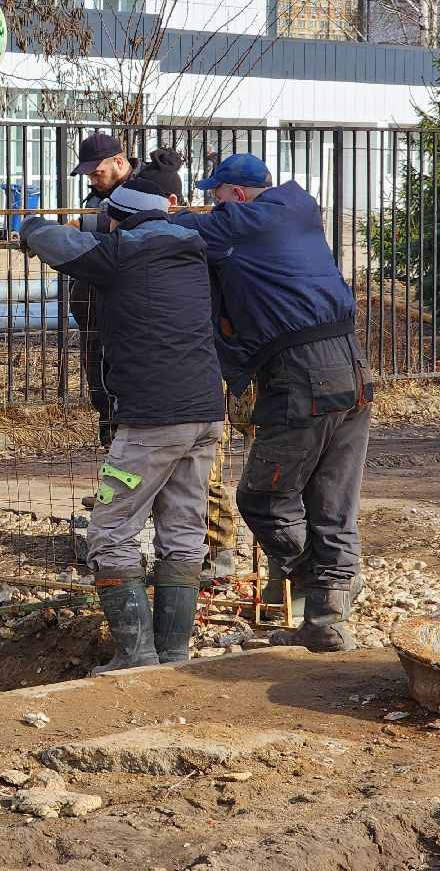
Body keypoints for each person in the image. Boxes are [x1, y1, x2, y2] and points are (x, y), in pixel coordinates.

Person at [20, 179, 225, 673]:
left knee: (111, 529)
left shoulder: (119, 253)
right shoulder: (197, 249)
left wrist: (27, 225)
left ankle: (134, 657)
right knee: (183, 529)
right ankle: (173, 655)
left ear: (117, 217)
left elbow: (57, 242)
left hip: (152, 421)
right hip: (205, 413)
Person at [173, 153, 372, 652]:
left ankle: (329, 584)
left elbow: (176, 231)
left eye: (216, 194)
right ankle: (327, 624)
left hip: (304, 375)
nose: (211, 203)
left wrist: (135, 212)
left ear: (237, 194)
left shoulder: (242, 223)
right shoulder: (297, 211)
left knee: (262, 497)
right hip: (353, 368)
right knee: (332, 501)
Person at [136, 149, 241, 586]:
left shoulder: (209, 236)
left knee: (210, 474)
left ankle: (220, 557)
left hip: (214, 362)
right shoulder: (201, 231)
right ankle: (185, 561)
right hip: (192, 365)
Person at [66, 132, 139, 447]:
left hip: (125, 309)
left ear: (119, 162)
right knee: (99, 382)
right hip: (93, 309)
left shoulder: (144, 191)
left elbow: (131, 229)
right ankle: (114, 475)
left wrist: (82, 226)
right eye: (90, 174)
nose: (94, 180)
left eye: (98, 172)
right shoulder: (101, 191)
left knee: (123, 382)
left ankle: (125, 482)